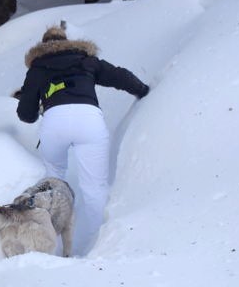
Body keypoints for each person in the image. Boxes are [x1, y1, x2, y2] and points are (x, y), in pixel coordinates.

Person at [13, 25, 150, 254]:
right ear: (66, 41)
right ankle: (95, 247)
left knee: (54, 179)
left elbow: (25, 114)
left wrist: (38, 106)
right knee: (95, 187)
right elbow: (120, 76)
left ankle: (53, 246)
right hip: (88, 120)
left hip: (54, 123)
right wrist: (143, 90)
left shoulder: (37, 67)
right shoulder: (86, 60)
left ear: (43, 45)